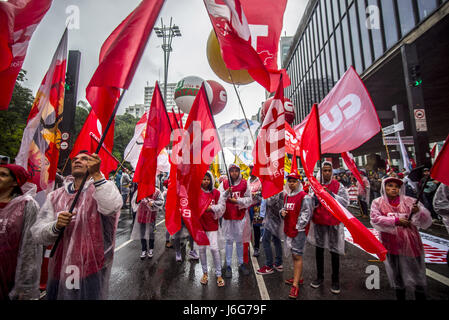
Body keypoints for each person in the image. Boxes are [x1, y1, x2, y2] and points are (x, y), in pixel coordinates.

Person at [31, 151, 123, 300]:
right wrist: (55, 226)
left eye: (84, 159)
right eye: (75, 159)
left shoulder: (102, 188)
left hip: (90, 268)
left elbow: (112, 207)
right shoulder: (55, 196)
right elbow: (37, 233)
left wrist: (97, 175)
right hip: (58, 269)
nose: (77, 161)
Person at [370, 176, 432, 300]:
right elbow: (375, 219)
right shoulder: (377, 202)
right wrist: (396, 221)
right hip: (391, 246)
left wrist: (419, 211)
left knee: (417, 277)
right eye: (390, 185)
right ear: (384, 187)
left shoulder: (411, 201)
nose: (393, 189)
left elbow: (425, 221)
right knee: (398, 278)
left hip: (412, 246)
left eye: (397, 186)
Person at [0, 164, 41, 300]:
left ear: (15, 182)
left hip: (8, 276)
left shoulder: (26, 205)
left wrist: (25, 286)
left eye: (3, 175)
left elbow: (30, 247)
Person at [308, 161, 349, 294]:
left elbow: (345, 202)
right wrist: (314, 198)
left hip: (333, 223)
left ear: (332, 172)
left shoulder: (338, 185)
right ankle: (319, 277)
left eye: (329, 170)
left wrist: (331, 195)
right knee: (319, 250)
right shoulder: (315, 186)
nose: (327, 173)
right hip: (319, 222)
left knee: (334, 251)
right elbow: (308, 203)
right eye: (324, 170)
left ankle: (335, 280)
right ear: (321, 171)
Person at [280, 173, 313, 299]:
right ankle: (298, 278)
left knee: (297, 255)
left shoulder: (305, 197)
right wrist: (282, 212)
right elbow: (284, 210)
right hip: (289, 230)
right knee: (293, 255)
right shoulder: (287, 196)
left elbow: (306, 214)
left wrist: (298, 227)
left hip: (298, 232)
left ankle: (295, 285)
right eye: (289, 181)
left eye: (294, 181)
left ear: (299, 182)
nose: (291, 183)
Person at [219, 164, 253, 278]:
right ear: (229, 172)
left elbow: (249, 199)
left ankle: (241, 263)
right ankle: (228, 265)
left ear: (239, 172)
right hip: (228, 216)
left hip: (240, 216)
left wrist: (238, 201)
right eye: (232, 171)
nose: (234, 173)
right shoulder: (224, 183)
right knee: (229, 241)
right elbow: (219, 199)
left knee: (239, 241)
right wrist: (225, 193)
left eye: (236, 171)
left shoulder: (244, 183)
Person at [197, 172, 226, 287]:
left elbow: (222, 207)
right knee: (202, 250)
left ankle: (219, 274)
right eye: (203, 179)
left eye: (208, 179)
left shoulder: (216, 193)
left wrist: (211, 208)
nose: (206, 181)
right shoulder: (196, 193)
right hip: (200, 226)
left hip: (212, 225)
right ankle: (205, 273)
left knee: (214, 249)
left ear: (211, 180)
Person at [130, 187, 164, 260]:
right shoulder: (140, 190)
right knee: (142, 232)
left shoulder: (157, 191)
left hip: (151, 215)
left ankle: (151, 249)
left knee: (151, 232)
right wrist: (139, 200)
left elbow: (161, 201)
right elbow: (134, 201)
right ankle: (143, 249)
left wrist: (153, 203)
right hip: (141, 215)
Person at [256, 192, 284, 276]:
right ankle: (278, 263)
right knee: (276, 240)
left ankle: (269, 266)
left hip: (272, 220)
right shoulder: (278, 189)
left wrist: (264, 194)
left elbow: (269, 202)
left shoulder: (275, 191)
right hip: (274, 219)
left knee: (265, 240)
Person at [248, 164, 262, 257]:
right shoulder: (247, 181)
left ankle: (256, 248)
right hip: (248, 207)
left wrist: (256, 194)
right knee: (247, 228)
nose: (251, 171)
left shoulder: (260, 181)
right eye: (250, 169)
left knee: (256, 228)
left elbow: (263, 193)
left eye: (253, 169)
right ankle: (248, 246)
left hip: (257, 207)